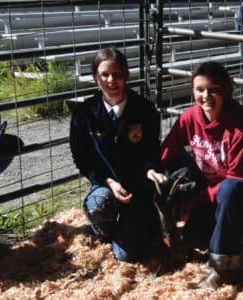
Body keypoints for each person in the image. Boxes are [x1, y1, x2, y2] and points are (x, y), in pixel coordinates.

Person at [156, 61, 243, 289]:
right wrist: (155, 173)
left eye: (214, 90)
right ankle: (227, 242)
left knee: (229, 190)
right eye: (200, 89)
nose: (206, 96)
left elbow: (237, 180)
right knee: (194, 238)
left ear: (226, 91)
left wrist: (194, 201)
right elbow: (168, 150)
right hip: (214, 200)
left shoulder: (241, 130)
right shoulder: (190, 117)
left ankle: (223, 269)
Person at [69, 47, 167, 262]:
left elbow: (151, 149)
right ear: (96, 78)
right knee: (99, 204)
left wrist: (150, 170)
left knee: (126, 256)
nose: (111, 80)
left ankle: (140, 221)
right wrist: (109, 182)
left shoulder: (145, 110)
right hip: (105, 185)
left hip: (138, 188)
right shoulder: (84, 114)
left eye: (117, 74)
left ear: (127, 76)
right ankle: (105, 231)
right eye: (104, 74)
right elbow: (82, 159)